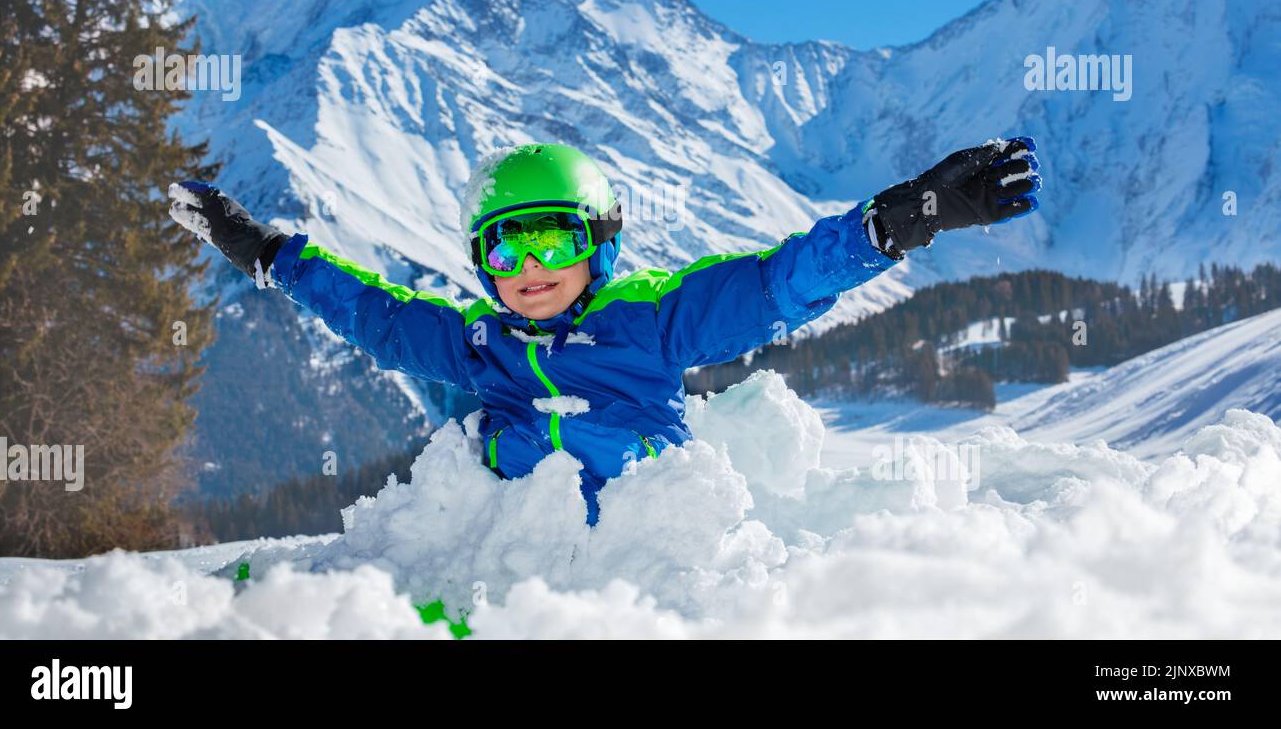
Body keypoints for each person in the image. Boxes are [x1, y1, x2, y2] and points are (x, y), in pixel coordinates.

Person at [169, 138, 1041, 525]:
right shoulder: (484, 342)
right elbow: (374, 314)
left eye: (550, 238)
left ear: (599, 244)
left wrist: (895, 223)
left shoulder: (653, 320)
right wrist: (265, 252)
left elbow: (780, 283)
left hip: (648, 559)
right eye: (503, 246)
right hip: (522, 566)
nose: (527, 267)